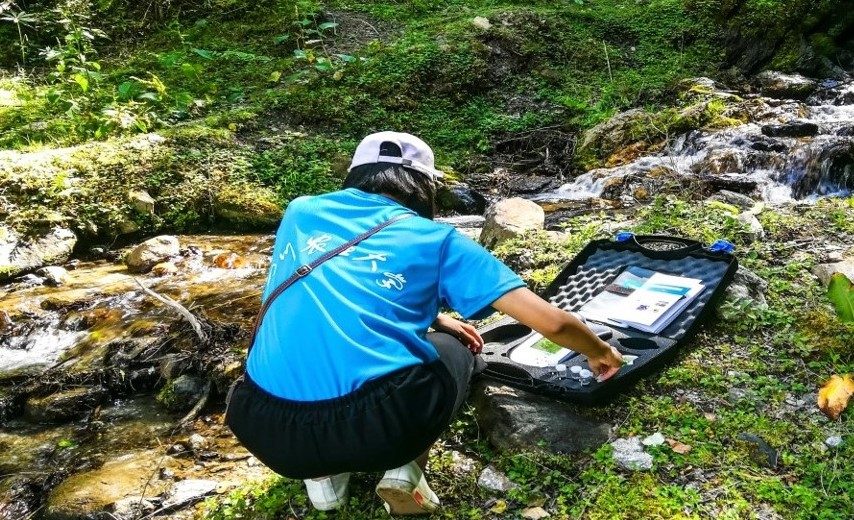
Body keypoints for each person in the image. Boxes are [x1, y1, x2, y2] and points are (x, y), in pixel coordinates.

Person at [225, 131, 623, 515]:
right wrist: (600, 351)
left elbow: (335, 280)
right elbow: (551, 324)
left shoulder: (301, 211)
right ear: (423, 186)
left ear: (356, 174)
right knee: (461, 350)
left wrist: (435, 316)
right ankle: (404, 472)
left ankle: (324, 481)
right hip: (380, 426)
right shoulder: (436, 239)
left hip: (264, 427)